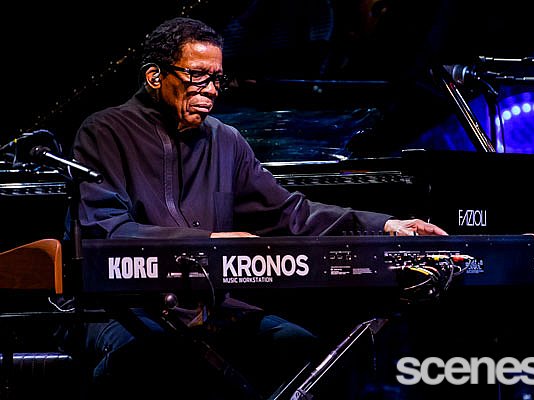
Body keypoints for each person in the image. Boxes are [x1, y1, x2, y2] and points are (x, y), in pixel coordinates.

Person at [68, 16, 448, 400]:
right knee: (156, 357)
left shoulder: (226, 140)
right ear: (154, 77)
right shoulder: (103, 132)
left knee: (303, 350)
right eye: (198, 75)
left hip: (210, 307)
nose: (211, 90)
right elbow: (106, 231)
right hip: (127, 309)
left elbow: (290, 213)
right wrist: (210, 243)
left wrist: (384, 226)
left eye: (217, 79)